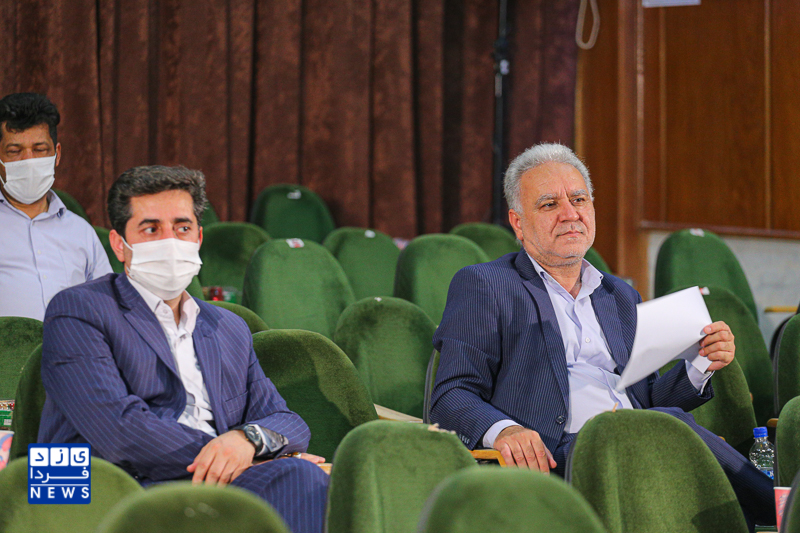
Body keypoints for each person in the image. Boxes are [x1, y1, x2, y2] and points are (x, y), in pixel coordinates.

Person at [430, 143, 774, 528]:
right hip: (558, 453)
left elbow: (645, 398)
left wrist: (699, 365)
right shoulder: (486, 285)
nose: (570, 213)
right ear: (518, 222)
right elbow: (450, 393)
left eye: (579, 199)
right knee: (666, 425)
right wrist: (505, 431)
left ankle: (771, 509)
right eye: (549, 204)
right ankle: (777, 506)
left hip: (637, 443)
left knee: (665, 425)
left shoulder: (620, 295)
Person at [39, 166, 328, 533]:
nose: (170, 241)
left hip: (208, 481)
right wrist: (233, 458)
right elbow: (119, 431)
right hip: (106, 481)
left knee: (306, 481)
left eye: (182, 227)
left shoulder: (228, 327)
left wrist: (246, 441)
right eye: (151, 229)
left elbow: (287, 421)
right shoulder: (78, 309)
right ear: (119, 244)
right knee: (297, 476)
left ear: (199, 237)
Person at [0, 92, 111, 321]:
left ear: (56, 154)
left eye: (39, 149)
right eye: (14, 151)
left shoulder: (81, 232)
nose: (28, 161)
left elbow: (108, 310)